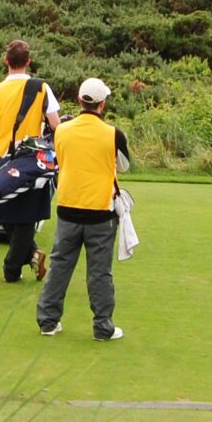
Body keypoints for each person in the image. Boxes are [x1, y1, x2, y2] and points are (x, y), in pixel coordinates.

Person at [38, 78, 129, 341]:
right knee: (99, 271)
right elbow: (123, 166)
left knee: (60, 266)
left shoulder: (62, 130)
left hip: (68, 207)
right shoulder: (113, 134)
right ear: (103, 104)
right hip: (100, 211)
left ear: (79, 101)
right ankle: (103, 327)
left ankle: (48, 321)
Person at [0, 40, 60, 281]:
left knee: (9, 217)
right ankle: (14, 267)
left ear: (6, 61)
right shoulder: (41, 88)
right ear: (28, 61)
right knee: (23, 218)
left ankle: (22, 261)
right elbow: (56, 125)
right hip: (31, 162)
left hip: (1, 163)